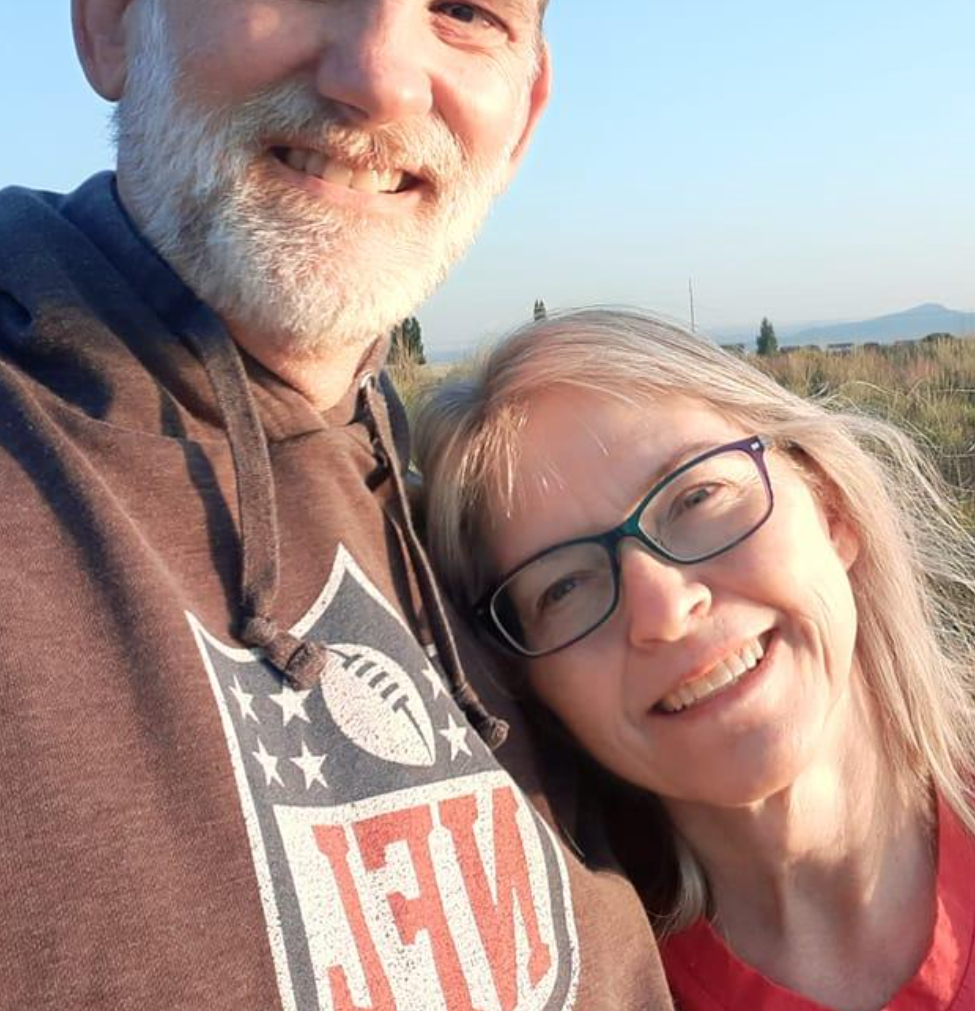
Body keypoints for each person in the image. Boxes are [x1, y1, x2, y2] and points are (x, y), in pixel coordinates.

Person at [0, 0, 673, 1010]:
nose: (379, 77)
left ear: (522, 115)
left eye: (466, 11)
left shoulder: (508, 548)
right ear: (116, 4)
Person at [417, 309, 975, 1011]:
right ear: (530, 685)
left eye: (696, 497)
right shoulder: (570, 988)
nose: (664, 610)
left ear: (830, 507)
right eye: (562, 587)